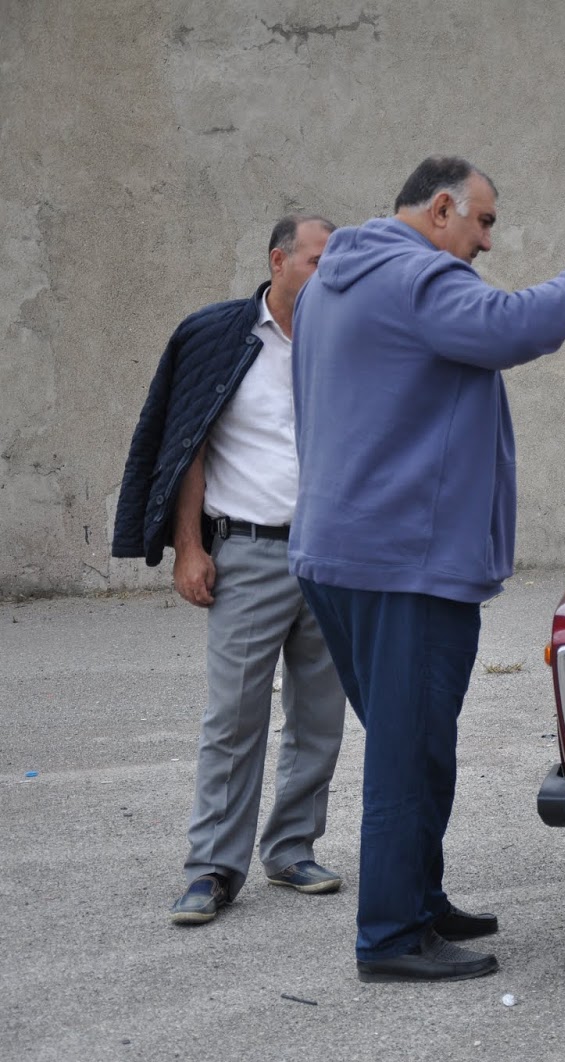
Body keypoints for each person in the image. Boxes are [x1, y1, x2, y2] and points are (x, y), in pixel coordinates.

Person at [289, 156, 565, 983]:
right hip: (404, 564)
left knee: (411, 746)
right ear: (442, 208)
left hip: (341, 553)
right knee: (409, 754)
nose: (486, 241)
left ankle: (419, 898)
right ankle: (390, 937)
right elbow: (509, 325)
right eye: (483, 222)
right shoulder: (417, 278)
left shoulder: (331, 284)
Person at [112, 214, 348, 926]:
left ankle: (292, 849)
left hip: (331, 558)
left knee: (319, 717)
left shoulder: (346, 343)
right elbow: (189, 446)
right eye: (316, 262)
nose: (327, 277)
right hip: (248, 551)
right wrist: (190, 547)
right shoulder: (219, 336)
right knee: (232, 718)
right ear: (278, 260)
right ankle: (212, 868)